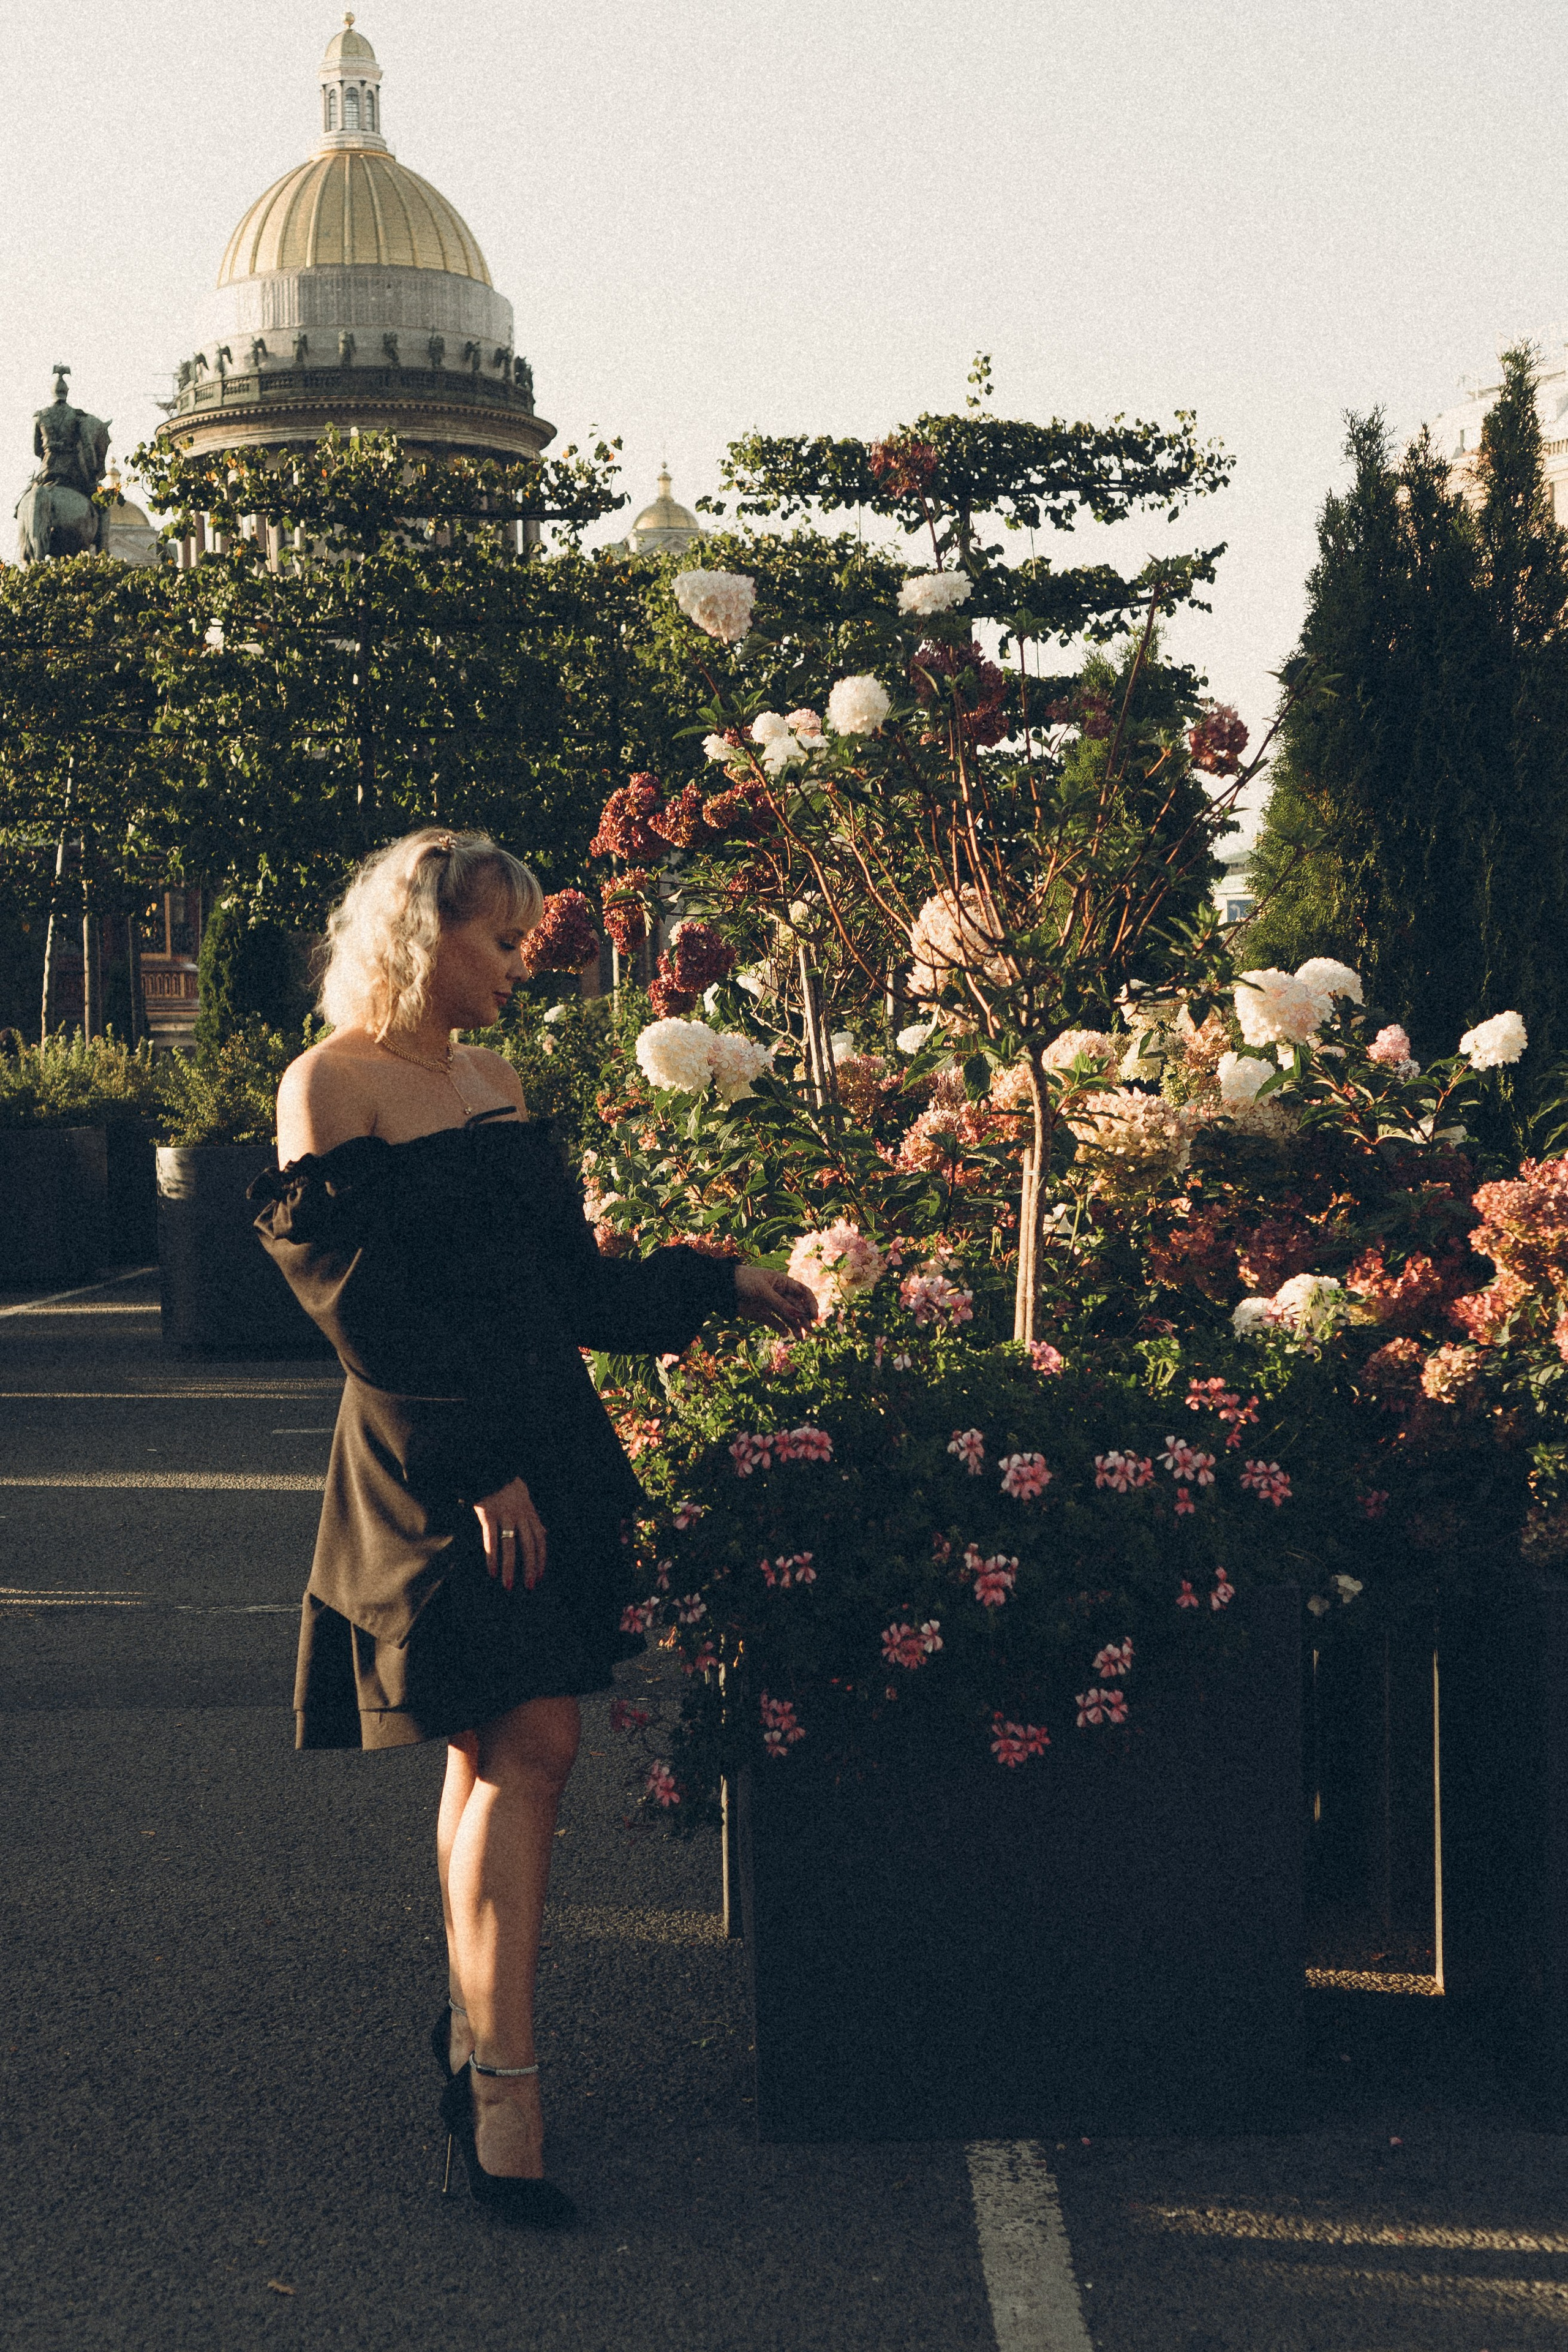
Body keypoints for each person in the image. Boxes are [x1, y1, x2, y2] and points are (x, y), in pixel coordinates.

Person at [252, 827, 816, 2228]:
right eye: (498, 940)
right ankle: (505, 2081)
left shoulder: (494, 1083)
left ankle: (474, 2036)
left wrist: (714, 1277)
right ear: (418, 939)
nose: (519, 963)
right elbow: (362, 1314)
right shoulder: (330, 1084)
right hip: (436, 1460)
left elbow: (559, 1289)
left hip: (538, 1451)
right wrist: (478, 1467)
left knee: (498, 1742)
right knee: (535, 1741)